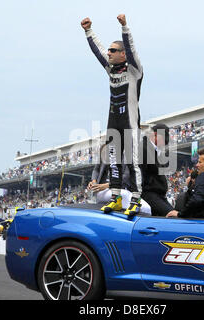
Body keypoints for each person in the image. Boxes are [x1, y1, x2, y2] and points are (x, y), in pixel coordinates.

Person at [81, 14, 143, 216]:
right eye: (109, 50)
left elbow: (132, 49)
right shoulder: (111, 69)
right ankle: (116, 198)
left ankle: (136, 199)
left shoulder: (135, 71)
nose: (109, 53)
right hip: (113, 122)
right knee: (114, 161)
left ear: (123, 54)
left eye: (113, 50)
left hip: (130, 123)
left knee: (132, 163)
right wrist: (89, 31)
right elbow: (98, 52)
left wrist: (125, 27)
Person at [166, 148, 204, 218]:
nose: (197, 165)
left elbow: (197, 200)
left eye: (200, 162)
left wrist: (180, 214)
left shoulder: (202, 177)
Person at [140, 124, 175, 216]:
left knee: (174, 214)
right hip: (149, 194)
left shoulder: (151, 149)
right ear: (155, 135)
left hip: (157, 195)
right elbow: (140, 173)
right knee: (171, 215)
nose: (165, 142)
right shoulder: (144, 148)